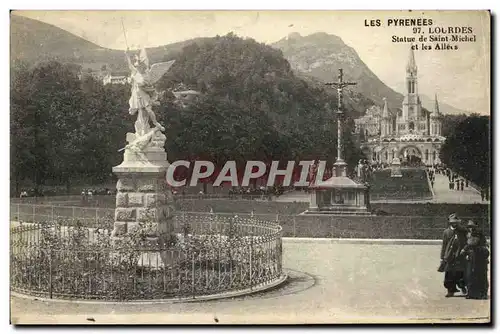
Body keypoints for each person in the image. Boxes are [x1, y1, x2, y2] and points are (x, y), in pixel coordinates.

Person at [440, 213, 468, 297]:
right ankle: (450, 290)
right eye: (452, 222)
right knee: (449, 273)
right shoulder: (446, 232)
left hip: (460, 255)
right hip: (449, 256)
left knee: (460, 273)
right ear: (450, 223)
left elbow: (467, 241)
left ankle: (462, 286)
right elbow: (444, 245)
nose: (454, 224)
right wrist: (442, 257)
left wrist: (466, 252)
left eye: (456, 222)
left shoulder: (463, 231)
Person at [461, 228, 489, 300]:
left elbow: (486, 253)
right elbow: (464, 250)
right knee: (470, 277)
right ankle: (471, 293)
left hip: (480, 263)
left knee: (481, 277)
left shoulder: (482, 245)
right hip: (472, 262)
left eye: (476, 237)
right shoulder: (470, 243)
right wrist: (465, 253)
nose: (474, 238)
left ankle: (483, 294)